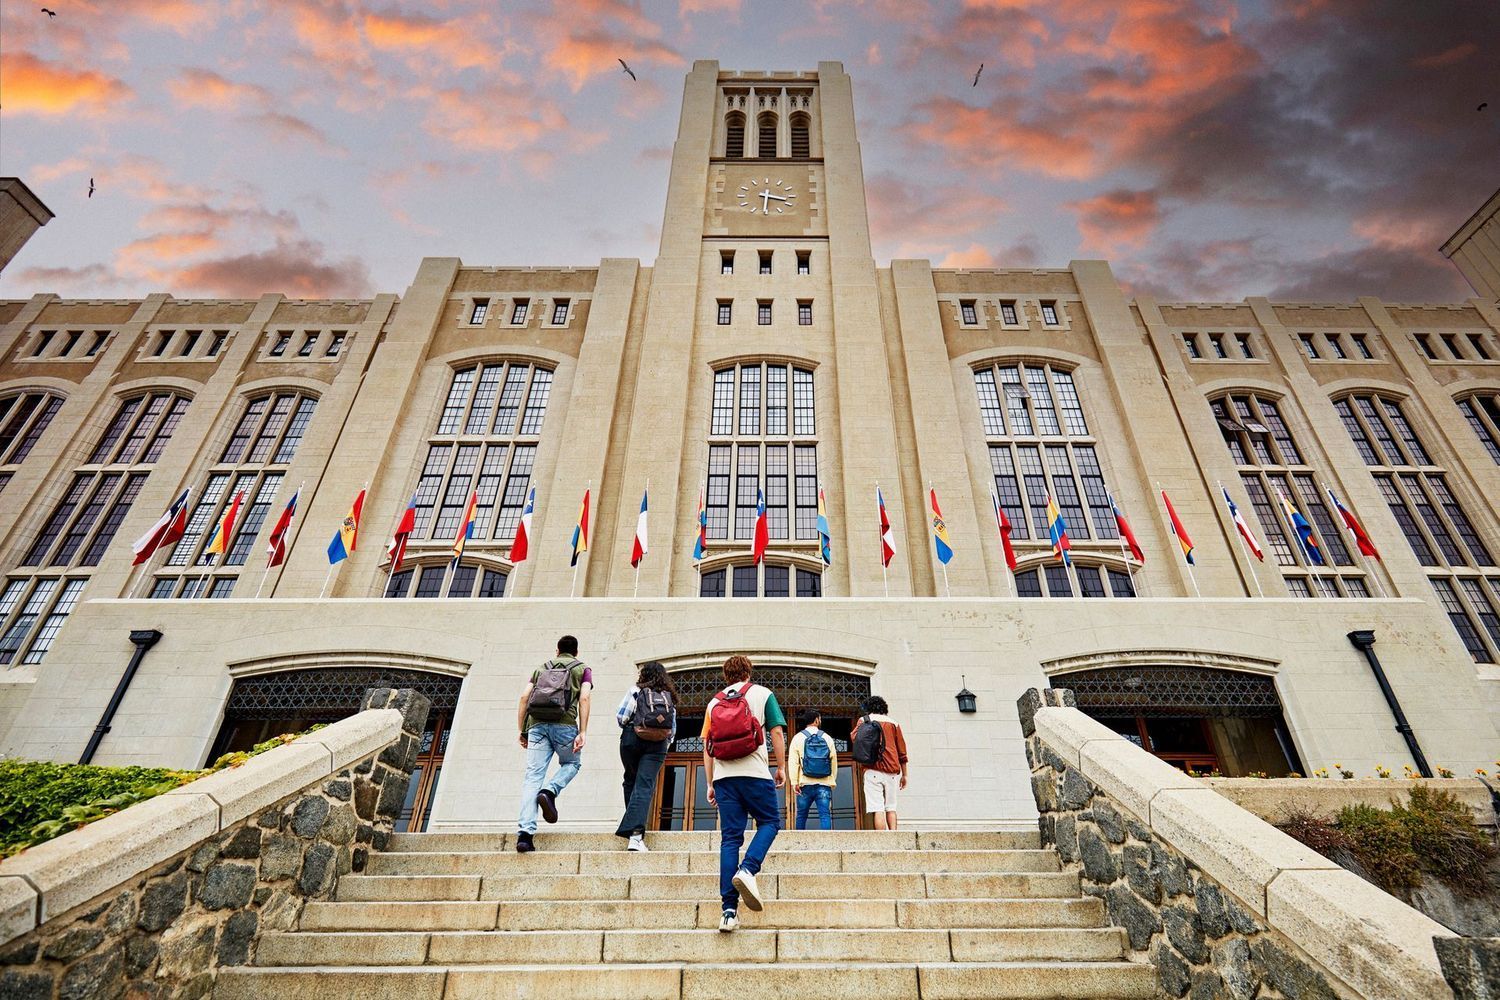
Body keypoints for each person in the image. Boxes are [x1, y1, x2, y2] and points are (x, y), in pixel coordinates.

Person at [701, 654, 786, 933]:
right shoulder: (763, 694)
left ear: (726, 676)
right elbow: (776, 733)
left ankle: (728, 912)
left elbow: (707, 746)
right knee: (770, 822)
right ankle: (748, 869)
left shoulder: (714, 702)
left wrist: (710, 782)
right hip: (756, 774)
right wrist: (781, 766)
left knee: (730, 839)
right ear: (748, 672)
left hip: (725, 779)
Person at [514, 635, 592, 853]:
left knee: (532, 777)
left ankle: (525, 836)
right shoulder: (583, 669)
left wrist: (522, 730)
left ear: (557, 650)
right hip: (565, 725)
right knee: (572, 764)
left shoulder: (541, 668)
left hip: (537, 725)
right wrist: (583, 731)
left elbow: (524, 697)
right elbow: (584, 697)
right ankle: (550, 791)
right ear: (576, 652)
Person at [614, 660, 677, 852]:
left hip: (632, 739)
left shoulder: (636, 690)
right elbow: (672, 728)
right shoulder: (669, 696)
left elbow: (622, 717)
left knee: (630, 781)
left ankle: (635, 832)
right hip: (658, 744)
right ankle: (635, 837)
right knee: (645, 785)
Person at [854, 695, 908, 831]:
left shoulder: (863, 720)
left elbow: (854, 737)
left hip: (871, 769)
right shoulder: (893, 723)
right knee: (891, 807)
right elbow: (902, 751)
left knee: (877, 808)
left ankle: (882, 841)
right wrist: (905, 774)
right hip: (891, 770)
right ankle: (894, 837)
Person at [789, 708, 837, 831]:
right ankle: (826, 845)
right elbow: (833, 761)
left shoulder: (797, 738)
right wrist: (832, 780)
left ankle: (799, 843)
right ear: (816, 720)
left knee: (801, 815)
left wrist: (794, 782)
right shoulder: (827, 737)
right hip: (824, 783)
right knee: (825, 815)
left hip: (805, 784)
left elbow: (793, 762)